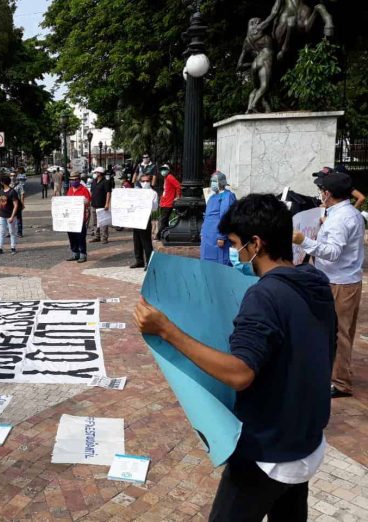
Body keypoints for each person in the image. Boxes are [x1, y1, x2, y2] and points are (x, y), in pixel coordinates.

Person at [135, 194, 335, 522]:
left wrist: (167, 331)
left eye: (235, 243)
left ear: (255, 244)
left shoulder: (265, 295)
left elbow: (240, 373)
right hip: (306, 440)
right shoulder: (315, 282)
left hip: (267, 451)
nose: (233, 252)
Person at [293, 170, 364, 399]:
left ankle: (341, 382)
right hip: (342, 279)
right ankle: (332, 373)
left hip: (340, 282)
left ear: (328, 193)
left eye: (321, 190)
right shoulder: (345, 213)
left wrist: (303, 241)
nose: (320, 194)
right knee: (335, 330)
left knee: (340, 333)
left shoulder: (342, 219)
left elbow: (332, 252)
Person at [201, 171, 237, 266]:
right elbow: (207, 216)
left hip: (218, 237)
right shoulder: (212, 197)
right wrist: (202, 232)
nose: (212, 183)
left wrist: (222, 236)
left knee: (220, 262)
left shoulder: (227, 196)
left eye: (215, 181)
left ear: (221, 182)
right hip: (207, 237)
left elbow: (225, 216)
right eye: (212, 181)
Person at [130, 173, 158, 270]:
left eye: (147, 181)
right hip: (136, 218)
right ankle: (139, 260)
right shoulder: (137, 192)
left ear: (150, 181)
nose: (145, 183)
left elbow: (154, 208)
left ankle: (149, 262)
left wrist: (147, 202)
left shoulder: (153, 193)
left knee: (146, 241)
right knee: (136, 241)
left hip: (145, 219)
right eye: (143, 181)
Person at [66, 172, 91, 264]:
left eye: (74, 180)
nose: (72, 181)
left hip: (80, 218)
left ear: (78, 180)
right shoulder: (70, 190)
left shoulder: (84, 190)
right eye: (71, 180)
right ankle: (75, 253)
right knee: (71, 236)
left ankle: (83, 254)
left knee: (80, 237)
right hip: (70, 218)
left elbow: (88, 203)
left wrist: (85, 201)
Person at [0, 176, 19, 255]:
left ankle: (13, 247)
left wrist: (12, 216)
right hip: (2, 215)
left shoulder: (12, 192)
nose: (0, 183)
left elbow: (16, 205)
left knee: (12, 232)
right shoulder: (1, 191)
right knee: (2, 232)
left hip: (10, 215)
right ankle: (0, 248)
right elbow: (0, 203)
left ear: (3, 182)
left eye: (1, 182)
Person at [157, 164, 182, 240]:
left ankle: (159, 236)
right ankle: (166, 235)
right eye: (162, 169)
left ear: (168, 170)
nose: (163, 171)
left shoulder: (170, 177)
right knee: (165, 221)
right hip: (164, 203)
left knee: (163, 221)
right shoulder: (166, 178)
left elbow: (178, 186)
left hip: (168, 204)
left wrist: (177, 197)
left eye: (165, 169)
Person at [89, 167, 111, 244]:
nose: (95, 174)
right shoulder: (94, 181)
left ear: (100, 173)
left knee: (103, 222)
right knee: (94, 222)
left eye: (96, 172)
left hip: (102, 205)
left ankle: (104, 238)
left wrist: (107, 203)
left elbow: (108, 193)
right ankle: (96, 236)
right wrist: (89, 201)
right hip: (94, 204)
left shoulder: (106, 182)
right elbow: (91, 192)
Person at [15, 173, 26, 238]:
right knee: (9, 218)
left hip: (18, 204)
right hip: (10, 204)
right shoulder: (9, 185)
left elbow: (22, 195)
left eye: (14, 176)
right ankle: (10, 232)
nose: (12, 177)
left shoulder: (20, 185)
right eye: (11, 175)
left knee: (19, 219)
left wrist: (22, 204)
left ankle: (19, 232)